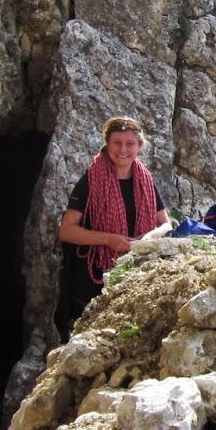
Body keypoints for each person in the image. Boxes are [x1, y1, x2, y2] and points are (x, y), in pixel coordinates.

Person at [56, 116, 171, 337]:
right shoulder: (92, 179)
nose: (122, 150)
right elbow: (66, 230)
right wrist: (109, 239)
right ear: (107, 144)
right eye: (117, 142)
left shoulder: (145, 180)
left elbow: (165, 224)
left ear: (139, 146)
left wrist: (146, 239)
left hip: (133, 270)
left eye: (130, 143)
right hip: (93, 277)